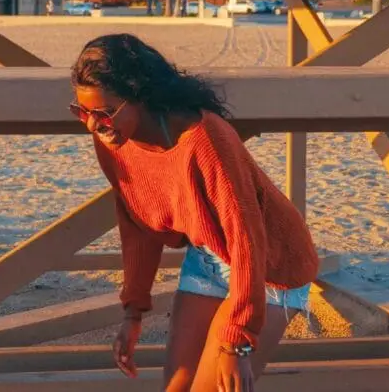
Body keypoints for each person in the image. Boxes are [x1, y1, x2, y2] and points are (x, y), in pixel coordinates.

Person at [69, 33, 318, 392]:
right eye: (82, 112)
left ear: (140, 96)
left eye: (103, 113)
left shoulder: (205, 139)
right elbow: (136, 224)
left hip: (270, 265)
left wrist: (238, 340)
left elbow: (247, 239)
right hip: (207, 257)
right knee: (176, 387)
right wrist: (133, 311)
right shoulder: (113, 140)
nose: (93, 125)